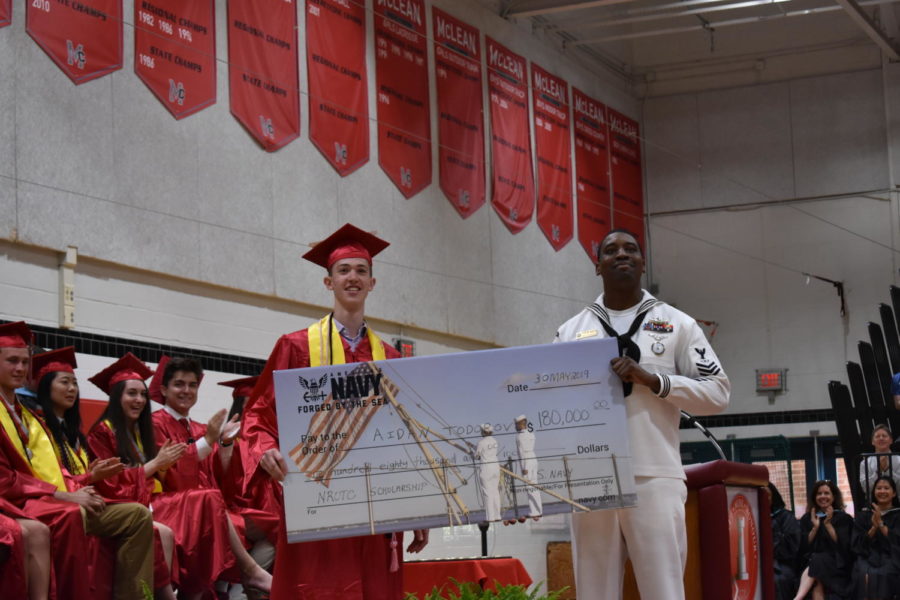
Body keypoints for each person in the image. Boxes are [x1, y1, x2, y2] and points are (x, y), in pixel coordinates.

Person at [241, 223, 429, 600]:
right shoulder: (295, 348)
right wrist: (263, 449)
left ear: (373, 283)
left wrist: (419, 507)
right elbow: (257, 414)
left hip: (376, 505)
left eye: (361, 271)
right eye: (344, 271)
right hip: (317, 496)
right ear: (329, 282)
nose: (353, 278)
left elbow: (406, 436)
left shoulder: (389, 359)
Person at [554, 229, 730, 600]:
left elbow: (718, 393)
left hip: (655, 476)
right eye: (611, 250)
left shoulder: (679, 324)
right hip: (591, 480)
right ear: (596, 265)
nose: (622, 255)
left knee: (663, 591)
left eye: (631, 249)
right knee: (594, 593)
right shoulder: (570, 331)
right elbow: (550, 407)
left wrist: (656, 381)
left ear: (643, 263)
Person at [88, 353, 271, 600]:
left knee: (270, 522)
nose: (139, 400)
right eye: (179, 384)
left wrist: (225, 443)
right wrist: (205, 443)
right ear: (163, 389)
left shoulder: (142, 431)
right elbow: (173, 473)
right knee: (209, 503)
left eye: (192, 385)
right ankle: (243, 578)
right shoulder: (149, 425)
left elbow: (219, 474)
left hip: (172, 501)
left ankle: (236, 585)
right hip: (156, 502)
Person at [0, 322, 156, 600]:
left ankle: (135, 597)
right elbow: (8, 479)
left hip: (47, 496)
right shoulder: (28, 419)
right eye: (12, 361)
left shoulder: (28, 418)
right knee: (71, 514)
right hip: (21, 501)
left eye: (25, 362)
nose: (21, 369)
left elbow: (51, 472)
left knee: (137, 515)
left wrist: (85, 481)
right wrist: (66, 494)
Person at [794, 480, 855, 600]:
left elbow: (844, 545)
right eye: (819, 493)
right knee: (817, 571)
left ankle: (798, 597)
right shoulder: (807, 518)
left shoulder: (843, 518)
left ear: (834, 496)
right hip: (812, 561)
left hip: (836, 563)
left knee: (817, 560)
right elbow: (802, 547)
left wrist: (828, 524)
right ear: (814, 497)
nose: (822, 496)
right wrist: (815, 528)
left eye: (826, 493)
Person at [851, 476, 900, 600]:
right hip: (868, 554)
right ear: (874, 492)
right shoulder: (864, 514)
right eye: (878, 488)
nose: (882, 491)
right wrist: (874, 527)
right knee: (864, 574)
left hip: (891, 555)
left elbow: (897, 541)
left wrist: (881, 524)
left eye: (886, 488)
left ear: (894, 493)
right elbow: (857, 543)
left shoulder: (898, 514)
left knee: (885, 574)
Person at [769, 483, 802, 600]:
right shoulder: (751, 515)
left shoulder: (786, 516)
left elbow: (791, 547)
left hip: (782, 564)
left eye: (767, 495)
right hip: (757, 563)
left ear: (774, 496)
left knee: (777, 580)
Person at [859, 424, 900, 498]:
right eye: (877, 436)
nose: (881, 438)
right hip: (873, 504)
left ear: (891, 440)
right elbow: (866, 488)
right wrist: (879, 471)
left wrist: (887, 470)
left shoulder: (899, 460)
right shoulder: (865, 463)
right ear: (872, 442)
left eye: (884, 436)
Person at [514, 415, 541, 519]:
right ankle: (537, 510)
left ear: (522, 423)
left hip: (526, 460)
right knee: (534, 485)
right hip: (533, 458)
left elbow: (522, 452)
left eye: (517, 424)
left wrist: (524, 466)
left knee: (530, 487)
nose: (516, 426)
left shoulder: (520, 436)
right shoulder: (531, 433)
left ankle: (535, 511)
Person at [475, 423, 501, 522]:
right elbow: (487, 451)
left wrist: (472, 451)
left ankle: (490, 517)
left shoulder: (481, 442)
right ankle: (497, 515)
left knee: (487, 493)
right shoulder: (495, 441)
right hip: (495, 467)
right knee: (495, 492)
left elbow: (477, 456)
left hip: (486, 469)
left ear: (482, 431)